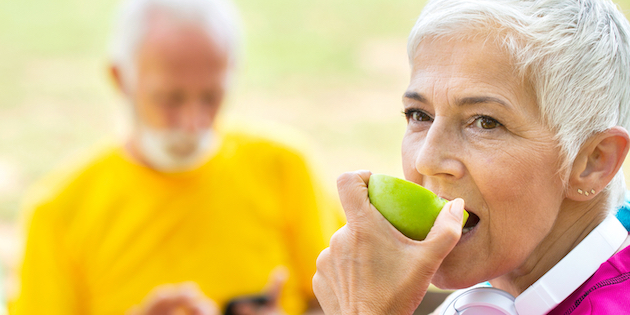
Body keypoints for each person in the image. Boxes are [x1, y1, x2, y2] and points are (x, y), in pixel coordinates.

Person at [12, 0, 342, 314]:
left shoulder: (284, 168)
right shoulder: (58, 210)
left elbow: (355, 303)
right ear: (120, 79)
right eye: (170, 99)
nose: (192, 123)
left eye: (211, 97)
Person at [312, 0, 630, 314]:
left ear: (593, 161)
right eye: (419, 114)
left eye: (485, 122)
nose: (426, 160)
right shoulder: (495, 294)